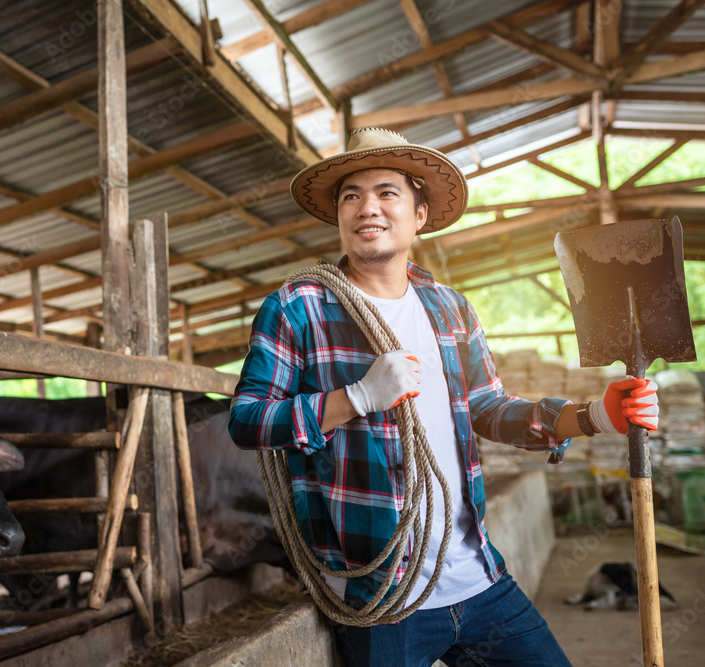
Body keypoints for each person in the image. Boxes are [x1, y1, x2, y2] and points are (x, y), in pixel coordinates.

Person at [227, 127, 659, 667]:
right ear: (338, 216)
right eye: (351, 196)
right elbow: (248, 421)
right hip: (382, 596)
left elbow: (491, 409)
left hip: (476, 579)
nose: (368, 208)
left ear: (419, 214)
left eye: (387, 193)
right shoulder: (298, 307)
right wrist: (356, 397)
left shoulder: (449, 307)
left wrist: (592, 415)